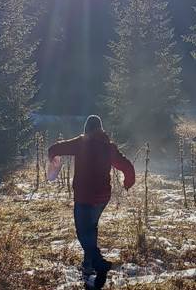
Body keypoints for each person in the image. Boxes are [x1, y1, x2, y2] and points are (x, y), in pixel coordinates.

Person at [48, 115, 135, 287]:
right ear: (101, 129)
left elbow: (55, 148)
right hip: (102, 198)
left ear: (86, 129)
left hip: (84, 196)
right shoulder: (108, 147)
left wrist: (52, 156)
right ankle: (88, 267)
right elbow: (127, 166)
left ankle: (98, 263)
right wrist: (128, 182)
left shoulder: (81, 143)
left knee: (82, 233)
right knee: (90, 228)